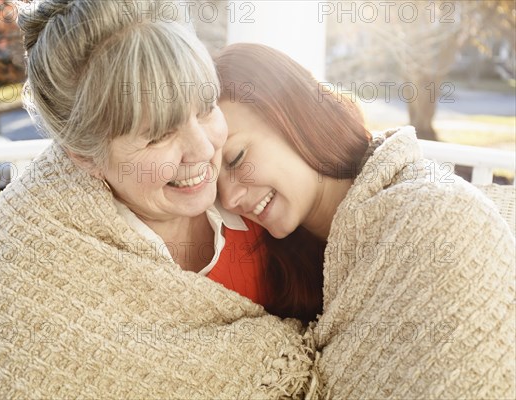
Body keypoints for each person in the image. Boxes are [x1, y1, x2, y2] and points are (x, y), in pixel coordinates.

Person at [0, 3, 322, 398]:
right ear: (85, 156)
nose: (202, 149)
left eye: (205, 108)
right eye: (158, 135)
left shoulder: (260, 206)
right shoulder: (39, 274)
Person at [214, 43, 515, 399]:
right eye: (215, 184)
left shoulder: (431, 216)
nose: (230, 198)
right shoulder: (286, 258)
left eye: (236, 158)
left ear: (294, 115)